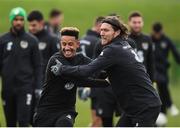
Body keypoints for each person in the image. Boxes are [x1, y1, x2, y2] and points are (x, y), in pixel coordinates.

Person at [51, 17, 162, 127]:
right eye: (101, 30)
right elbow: (99, 72)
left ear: (117, 32)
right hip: (134, 108)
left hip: (144, 107)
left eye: (106, 30)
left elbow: (87, 71)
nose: (102, 33)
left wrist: (62, 69)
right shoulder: (122, 45)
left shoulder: (113, 49)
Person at [33, 27, 110, 127]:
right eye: (64, 44)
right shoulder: (55, 61)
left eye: (70, 44)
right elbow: (78, 80)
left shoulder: (81, 58)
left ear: (77, 44)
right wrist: (105, 83)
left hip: (66, 110)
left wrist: (113, 73)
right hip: (46, 110)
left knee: (64, 124)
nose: (67, 48)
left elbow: (97, 71)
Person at [0, 7, 42, 127]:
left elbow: (38, 66)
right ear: (11, 21)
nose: (18, 22)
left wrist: (38, 87)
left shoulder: (32, 41)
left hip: (25, 88)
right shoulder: (2, 40)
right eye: (16, 19)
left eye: (21, 19)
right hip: (7, 89)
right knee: (10, 123)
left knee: (24, 122)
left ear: (24, 21)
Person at [27, 10, 59, 124]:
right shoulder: (27, 40)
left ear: (41, 23)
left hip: (46, 87)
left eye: (34, 25)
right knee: (29, 118)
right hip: (28, 85)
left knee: (43, 119)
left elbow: (58, 63)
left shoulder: (52, 39)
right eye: (29, 25)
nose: (31, 28)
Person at [151, 22, 180, 126]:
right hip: (152, 71)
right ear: (153, 31)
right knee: (155, 95)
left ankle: (164, 115)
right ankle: (169, 105)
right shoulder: (149, 40)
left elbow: (176, 54)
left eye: (159, 33)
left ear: (162, 31)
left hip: (163, 71)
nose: (158, 35)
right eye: (156, 33)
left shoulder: (166, 40)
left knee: (162, 93)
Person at [78, 16, 105, 127]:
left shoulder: (83, 38)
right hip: (94, 82)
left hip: (82, 79)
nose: (104, 32)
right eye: (103, 28)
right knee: (99, 120)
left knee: (96, 119)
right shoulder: (98, 42)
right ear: (99, 26)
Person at [128, 11, 155, 83]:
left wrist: (152, 81)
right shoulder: (124, 39)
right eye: (134, 22)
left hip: (143, 79)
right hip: (127, 79)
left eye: (139, 22)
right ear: (129, 23)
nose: (137, 25)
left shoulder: (147, 39)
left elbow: (151, 62)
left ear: (142, 23)